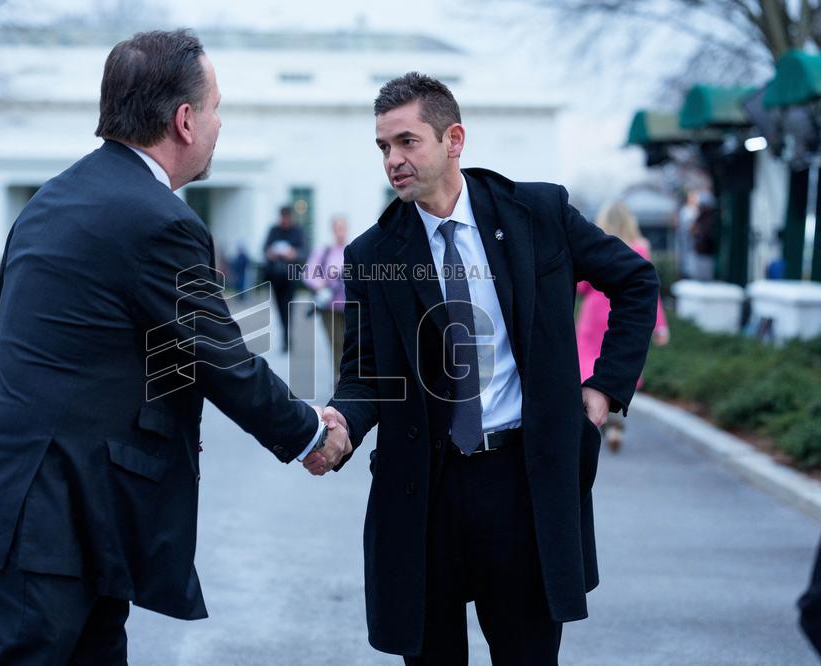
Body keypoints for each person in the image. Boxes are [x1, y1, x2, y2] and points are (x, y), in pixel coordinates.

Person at [0, 30, 350, 665]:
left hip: (52, 522)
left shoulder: (53, 199)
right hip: (43, 530)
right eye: (215, 109)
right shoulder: (156, 220)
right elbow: (219, 355)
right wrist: (307, 433)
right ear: (185, 121)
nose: (218, 125)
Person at [313, 73, 659, 664]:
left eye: (407, 142)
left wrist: (603, 389)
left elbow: (635, 281)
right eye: (383, 148)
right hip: (424, 493)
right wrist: (341, 424)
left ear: (454, 138)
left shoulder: (537, 212)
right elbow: (368, 373)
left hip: (523, 485)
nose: (393, 160)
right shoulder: (373, 254)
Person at [576, 201, 669, 452]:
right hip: (623, 315)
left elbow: (582, 287)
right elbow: (648, 290)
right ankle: (615, 423)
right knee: (617, 367)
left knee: (589, 364)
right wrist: (660, 326)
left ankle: (593, 418)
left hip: (594, 314)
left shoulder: (596, 245)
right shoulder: (640, 248)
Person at [304, 216, 348, 383]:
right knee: (337, 344)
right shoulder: (324, 251)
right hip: (329, 307)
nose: (340, 232)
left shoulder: (353, 249)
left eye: (343, 228)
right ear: (333, 230)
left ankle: (349, 380)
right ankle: (340, 380)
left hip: (351, 306)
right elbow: (308, 274)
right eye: (337, 228)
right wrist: (320, 283)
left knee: (352, 345)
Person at [263, 205, 305, 353]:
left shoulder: (297, 231)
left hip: (290, 278)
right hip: (275, 276)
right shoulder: (274, 231)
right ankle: (284, 335)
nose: (285, 220)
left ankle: (287, 338)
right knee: (280, 308)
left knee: (288, 308)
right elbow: (265, 249)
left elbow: (303, 251)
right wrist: (271, 253)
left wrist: (293, 254)